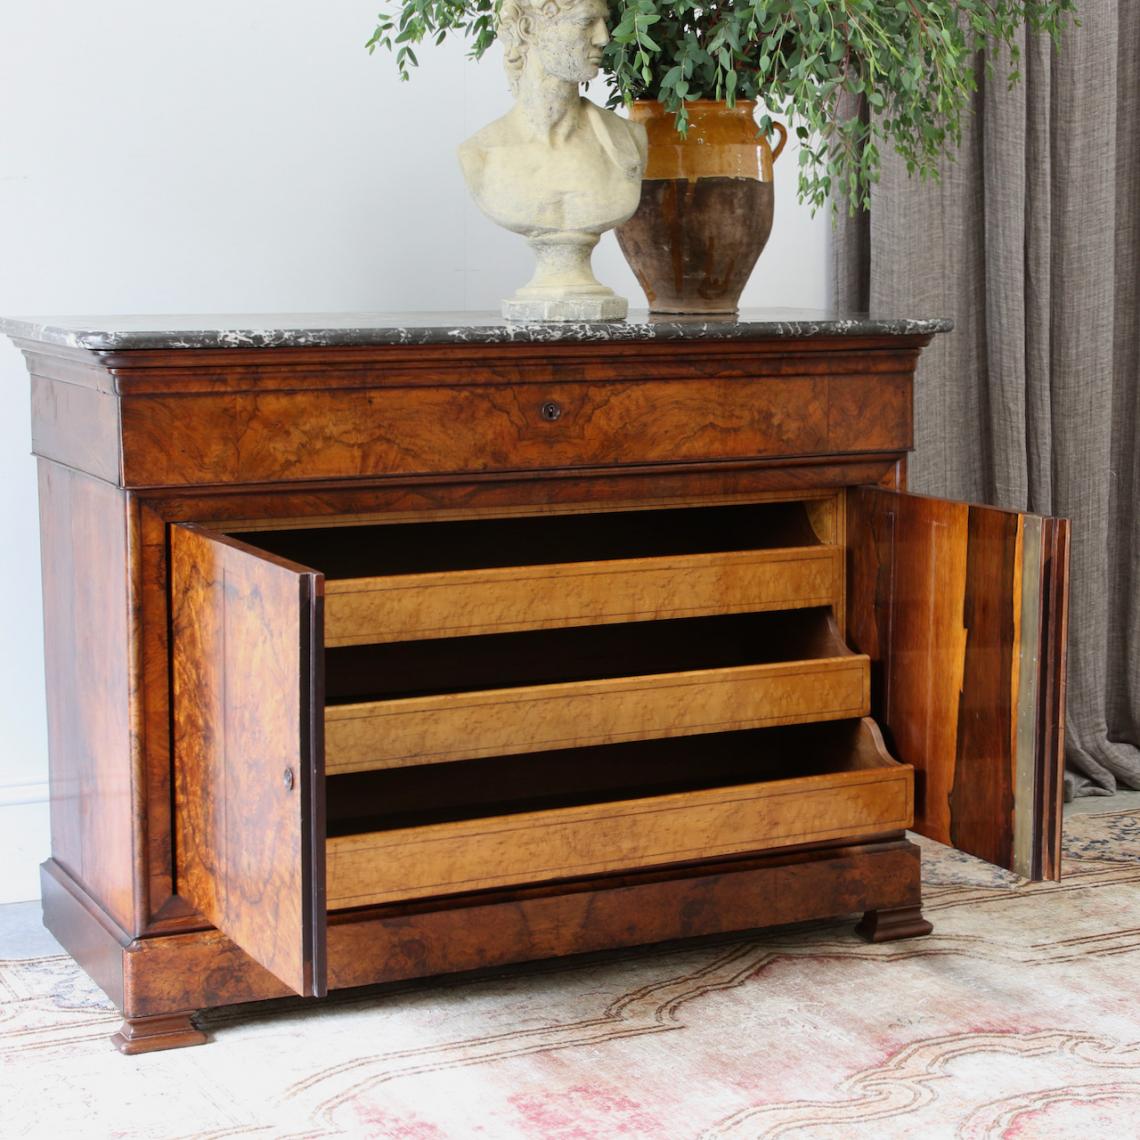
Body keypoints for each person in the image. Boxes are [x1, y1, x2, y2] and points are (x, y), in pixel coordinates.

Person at [459, 0, 647, 317]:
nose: (603, 37)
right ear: (529, 28)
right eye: (587, 21)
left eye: (603, 22)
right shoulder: (480, 154)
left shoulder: (628, 142)